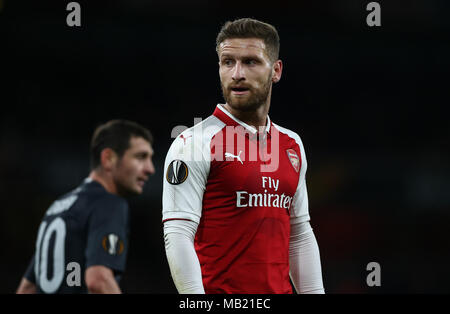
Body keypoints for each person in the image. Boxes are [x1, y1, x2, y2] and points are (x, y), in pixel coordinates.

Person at [162, 18, 325, 293]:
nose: (237, 73)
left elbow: (299, 235)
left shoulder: (291, 144)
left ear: (276, 70)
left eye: (250, 62)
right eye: (228, 62)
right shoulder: (193, 143)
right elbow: (178, 236)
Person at [16, 120, 155, 294]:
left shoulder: (57, 208)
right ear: (108, 158)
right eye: (141, 157)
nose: (150, 168)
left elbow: (27, 289)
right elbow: (99, 280)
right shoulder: (109, 204)